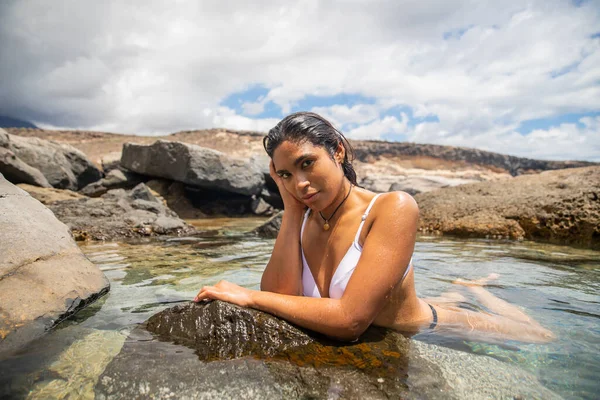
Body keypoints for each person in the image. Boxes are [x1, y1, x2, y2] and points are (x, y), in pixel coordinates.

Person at [194, 112, 554, 344]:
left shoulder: (392, 207)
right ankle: (462, 289)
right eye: (286, 174)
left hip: (427, 327)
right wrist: (289, 210)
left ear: (336, 152)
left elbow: (350, 321)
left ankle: (477, 291)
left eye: (307, 163)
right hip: (394, 307)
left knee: (542, 337)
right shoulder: (301, 216)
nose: (300, 183)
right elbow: (283, 293)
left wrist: (249, 296)